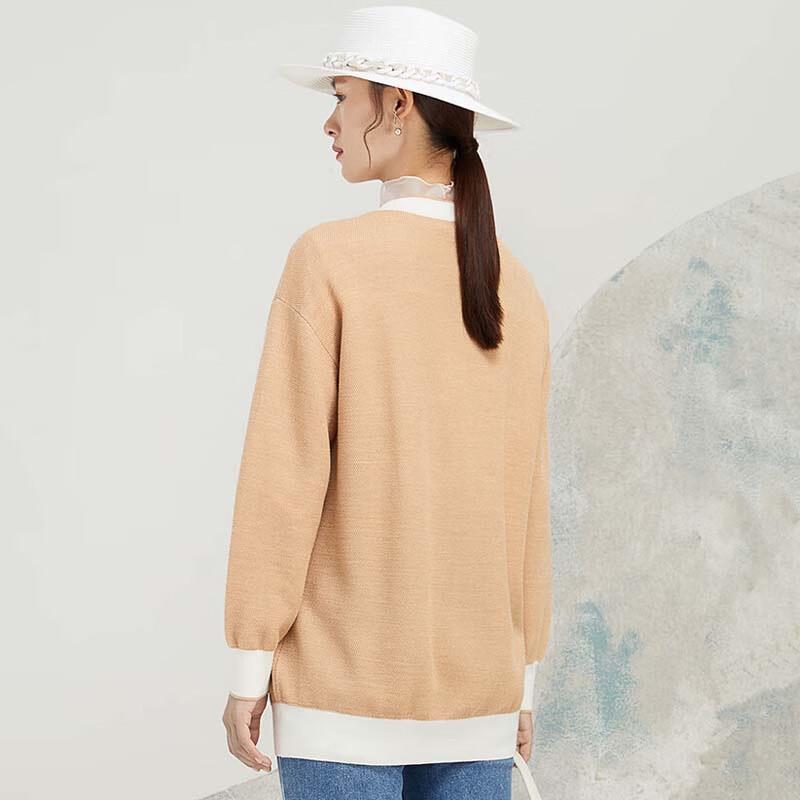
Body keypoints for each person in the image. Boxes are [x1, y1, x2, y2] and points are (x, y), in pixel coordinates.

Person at [220, 6, 552, 799]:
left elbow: (282, 481)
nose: (330, 122)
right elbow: (528, 509)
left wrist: (248, 667)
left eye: (342, 96)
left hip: (343, 697)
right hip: (481, 699)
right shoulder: (515, 285)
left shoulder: (329, 261)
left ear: (396, 105)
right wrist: (523, 684)